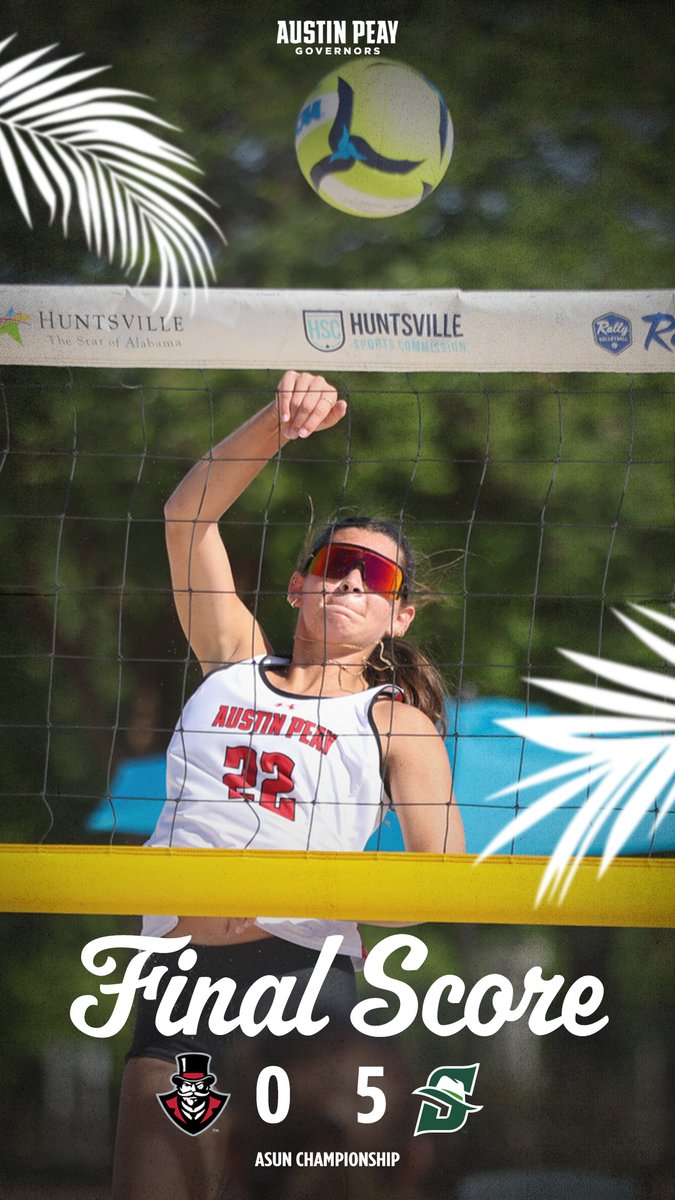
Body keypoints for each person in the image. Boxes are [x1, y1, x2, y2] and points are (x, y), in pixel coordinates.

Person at [112, 371, 465, 1200]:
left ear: (399, 616)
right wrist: (277, 423)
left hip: (306, 987)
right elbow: (186, 516)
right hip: (182, 981)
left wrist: (289, 889)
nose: (352, 583)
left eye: (376, 579)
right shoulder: (233, 663)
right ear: (299, 585)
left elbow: (440, 880)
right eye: (337, 565)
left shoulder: (394, 722)